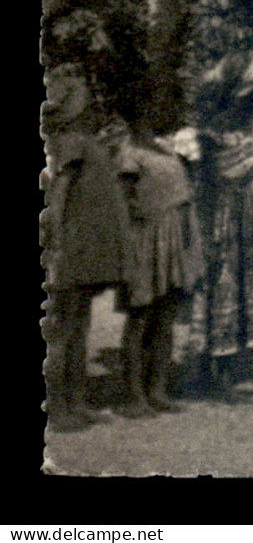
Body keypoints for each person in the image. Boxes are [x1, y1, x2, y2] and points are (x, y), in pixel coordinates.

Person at [194, 52, 253, 403]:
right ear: (242, 90)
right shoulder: (212, 133)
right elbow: (204, 186)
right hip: (227, 222)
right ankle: (224, 378)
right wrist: (207, 235)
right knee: (227, 292)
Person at [42, 68, 129, 432]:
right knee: (65, 330)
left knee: (80, 328)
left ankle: (76, 401)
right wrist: (57, 247)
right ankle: (59, 407)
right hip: (73, 249)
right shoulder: (72, 140)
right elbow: (59, 199)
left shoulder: (82, 138)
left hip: (85, 250)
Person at [114, 123, 203, 417]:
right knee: (141, 317)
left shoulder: (169, 147)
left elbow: (186, 197)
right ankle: (134, 395)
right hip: (144, 241)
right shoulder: (130, 150)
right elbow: (123, 203)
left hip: (174, 239)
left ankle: (158, 389)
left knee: (166, 317)